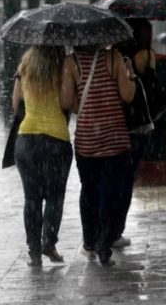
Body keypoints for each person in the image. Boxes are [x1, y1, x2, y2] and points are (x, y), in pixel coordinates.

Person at [61, 44, 135, 266]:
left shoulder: (71, 62)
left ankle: (90, 242)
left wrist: (84, 106)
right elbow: (128, 95)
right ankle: (105, 243)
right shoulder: (114, 58)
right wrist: (129, 74)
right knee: (111, 193)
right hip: (114, 138)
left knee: (89, 191)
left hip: (87, 141)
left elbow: (65, 102)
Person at [12, 46, 73, 267]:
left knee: (32, 198)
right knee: (55, 197)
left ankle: (34, 251)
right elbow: (67, 103)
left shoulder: (25, 64)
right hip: (56, 139)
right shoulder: (63, 65)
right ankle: (49, 242)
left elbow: (15, 102)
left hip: (26, 140)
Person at [114, 18, 159, 248]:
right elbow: (152, 87)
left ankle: (107, 227)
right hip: (140, 125)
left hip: (118, 123)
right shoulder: (147, 55)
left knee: (114, 179)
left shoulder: (117, 56)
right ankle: (117, 230)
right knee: (127, 180)